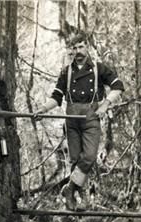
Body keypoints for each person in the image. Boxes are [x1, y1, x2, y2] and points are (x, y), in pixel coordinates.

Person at [35, 33, 124, 210]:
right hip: (71, 120)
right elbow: (57, 96)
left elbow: (118, 86)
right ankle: (77, 197)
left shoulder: (99, 69)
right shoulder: (66, 72)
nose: (78, 51)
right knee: (75, 159)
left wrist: (105, 105)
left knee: (89, 156)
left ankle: (69, 189)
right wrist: (43, 109)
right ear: (71, 51)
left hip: (91, 118)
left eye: (81, 47)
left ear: (87, 48)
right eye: (74, 48)